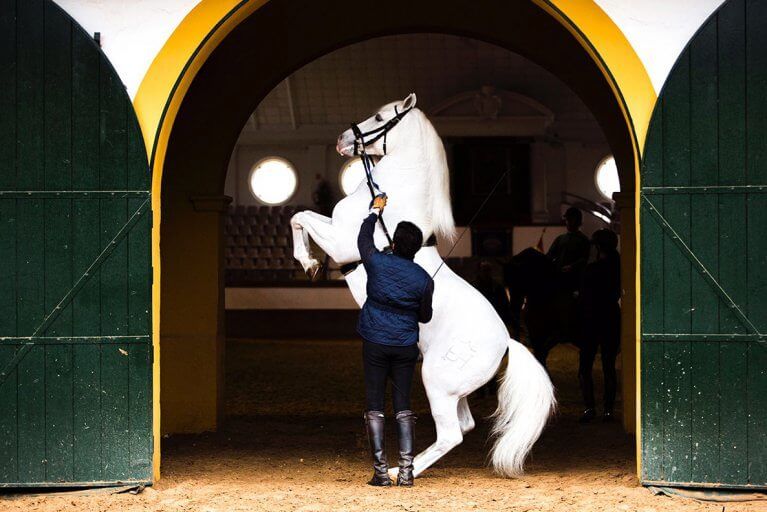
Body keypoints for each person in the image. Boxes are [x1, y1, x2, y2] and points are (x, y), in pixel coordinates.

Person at [357, 193, 434, 487]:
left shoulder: (378, 261)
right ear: (416, 249)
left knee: (375, 403)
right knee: (403, 405)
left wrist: (375, 212)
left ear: (395, 243)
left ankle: (380, 472)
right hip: (404, 345)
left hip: (375, 340)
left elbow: (363, 241)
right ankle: (406, 471)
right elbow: (425, 317)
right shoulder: (425, 279)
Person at [577, 228, 621, 423]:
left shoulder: (591, 270)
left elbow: (583, 296)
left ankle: (589, 408)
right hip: (611, 317)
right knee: (609, 366)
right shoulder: (619, 267)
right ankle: (608, 410)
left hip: (591, 320)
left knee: (585, 367)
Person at [547, 207, 590, 294]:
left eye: (571, 220)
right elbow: (549, 256)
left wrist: (572, 266)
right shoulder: (560, 239)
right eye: (568, 220)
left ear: (577, 222)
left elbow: (585, 259)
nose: (569, 223)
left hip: (574, 281)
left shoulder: (583, 240)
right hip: (559, 280)